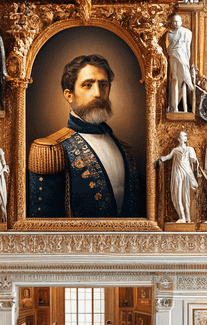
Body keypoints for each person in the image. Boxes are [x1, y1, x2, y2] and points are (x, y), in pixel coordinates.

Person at [27, 53, 144, 218]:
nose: (98, 93)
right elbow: (43, 226)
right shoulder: (51, 149)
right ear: (69, 95)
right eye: (88, 85)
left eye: (103, 85)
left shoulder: (127, 150)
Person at [157, 131, 200, 223]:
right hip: (178, 173)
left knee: (186, 195)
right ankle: (182, 217)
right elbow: (167, 157)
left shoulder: (190, 149)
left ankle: (188, 217)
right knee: (178, 194)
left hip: (187, 173)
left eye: (185, 136)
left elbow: (194, 162)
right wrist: (161, 159)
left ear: (186, 138)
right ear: (179, 139)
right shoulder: (175, 150)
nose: (184, 137)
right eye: (182, 136)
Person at [165, 14, 194, 113]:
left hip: (183, 58)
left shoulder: (186, 32)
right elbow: (168, 48)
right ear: (171, 23)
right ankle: (174, 106)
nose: (176, 23)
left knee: (183, 80)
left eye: (178, 21)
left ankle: (189, 85)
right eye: (174, 21)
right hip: (173, 57)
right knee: (174, 78)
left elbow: (187, 48)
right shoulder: (169, 34)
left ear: (181, 22)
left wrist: (187, 60)